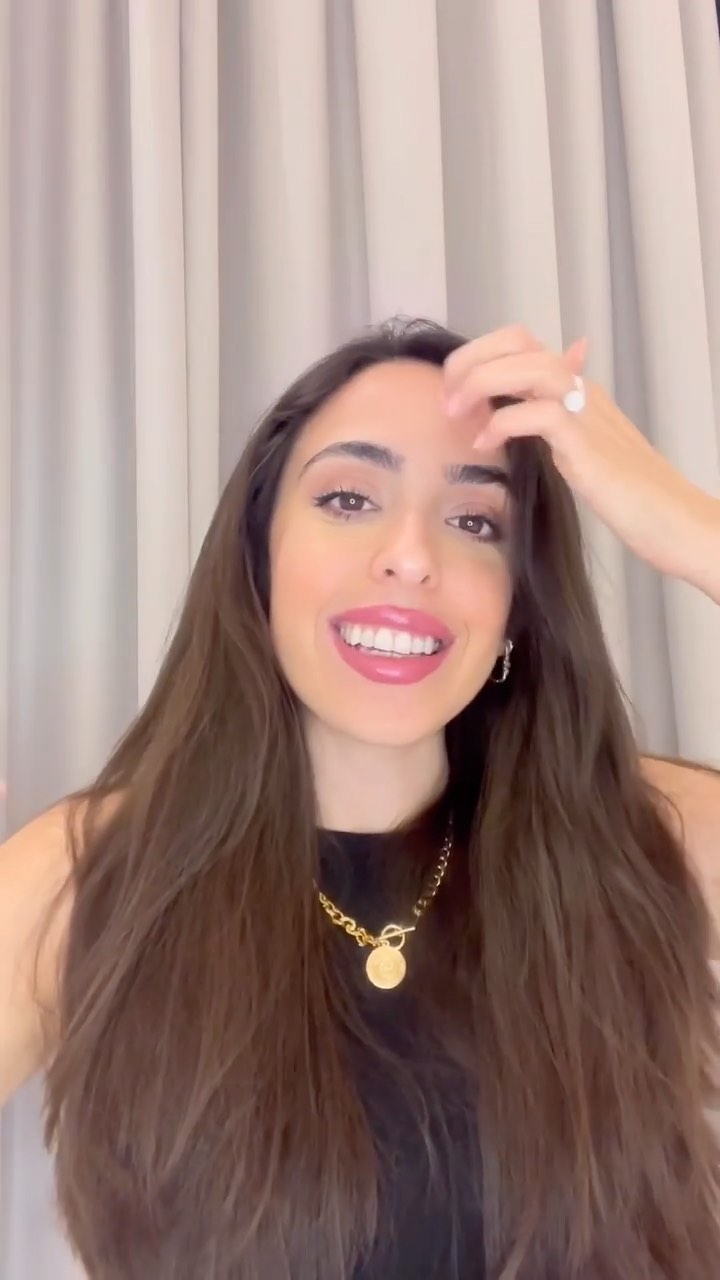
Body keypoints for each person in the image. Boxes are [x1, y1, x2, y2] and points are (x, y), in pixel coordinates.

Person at [1, 318, 720, 1280]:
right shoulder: (88, 876)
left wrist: (690, 528)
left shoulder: (639, 838)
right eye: (349, 498)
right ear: (256, 561)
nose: (410, 556)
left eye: (476, 522)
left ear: (517, 605)